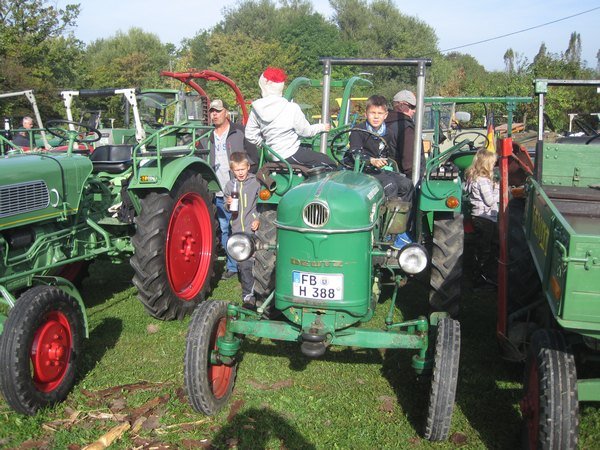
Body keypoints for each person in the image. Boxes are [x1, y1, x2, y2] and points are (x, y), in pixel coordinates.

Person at [200, 99, 258, 279]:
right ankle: (232, 265)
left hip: (240, 188)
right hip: (219, 191)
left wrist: (246, 181)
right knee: (225, 229)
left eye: (218, 111)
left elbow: (253, 157)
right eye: (212, 111)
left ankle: (250, 261)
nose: (214, 114)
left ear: (226, 112)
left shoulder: (239, 132)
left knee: (246, 226)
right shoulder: (205, 137)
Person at [349, 95, 414, 250]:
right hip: (362, 169)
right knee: (390, 186)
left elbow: (387, 153)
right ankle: (388, 232)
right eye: (372, 113)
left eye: (379, 114)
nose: (376, 117)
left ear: (385, 115)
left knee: (406, 184)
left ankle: (401, 228)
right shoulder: (358, 131)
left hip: (380, 169)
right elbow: (355, 154)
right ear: (366, 114)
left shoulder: (388, 132)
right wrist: (371, 160)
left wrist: (386, 163)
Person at [245, 67, 335, 169]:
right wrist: (321, 127)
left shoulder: (257, 108)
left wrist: (263, 144)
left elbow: (250, 134)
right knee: (329, 163)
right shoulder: (291, 108)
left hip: (271, 155)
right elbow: (305, 132)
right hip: (290, 153)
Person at [223, 152, 261, 309]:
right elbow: (228, 208)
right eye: (236, 170)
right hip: (238, 229)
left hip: (253, 229)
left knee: (256, 261)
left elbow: (262, 204)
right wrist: (228, 203)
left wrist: (257, 218)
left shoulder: (256, 183)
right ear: (232, 170)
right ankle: (248, 296)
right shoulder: (229, 186)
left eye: (242, 169)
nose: (240, 173)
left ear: (248, 167)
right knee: (244, 264)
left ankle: (261, 292)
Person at [465, 149, 499, 289]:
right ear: (486, 164)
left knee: (481, 246)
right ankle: (480, 277)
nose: (494, 166)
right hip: (485, 218)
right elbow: (490, 201)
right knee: (485, 249)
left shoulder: (472, 178)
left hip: (477, 216)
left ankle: (478, 274)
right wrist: (499, 189)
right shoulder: (483, 181)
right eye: (493, 163)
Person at [385, 90, 424, 180]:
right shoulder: (406, 128)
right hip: (402, 180)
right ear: (402, 105)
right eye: (412, 107)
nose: (414, 111)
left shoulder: (382, 122)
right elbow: (409, 165)